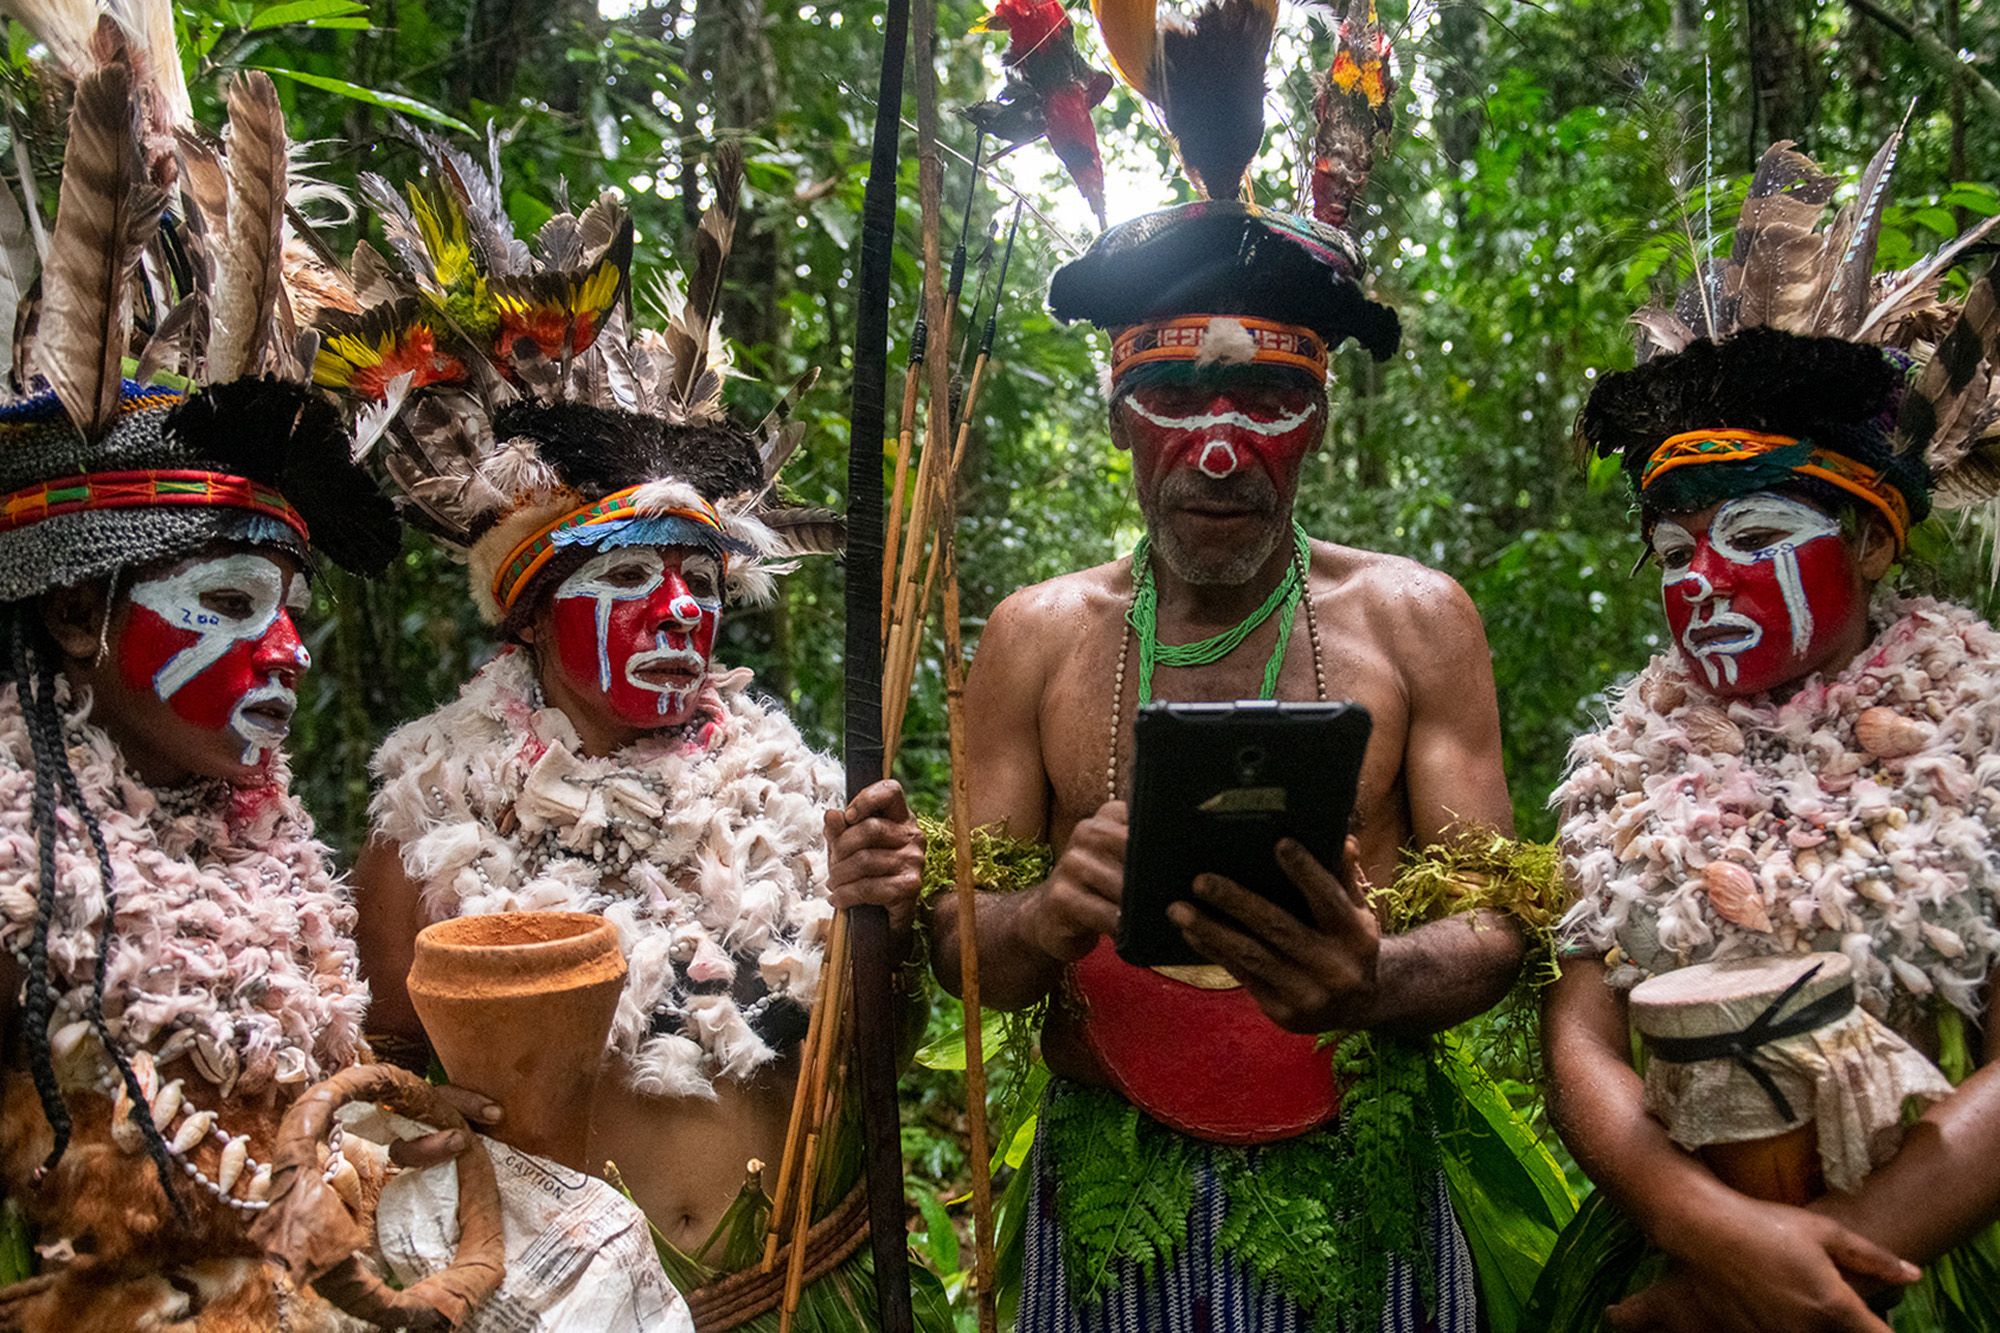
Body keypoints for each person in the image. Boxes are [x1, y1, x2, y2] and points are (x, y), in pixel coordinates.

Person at [930, 4, 1550, 1329]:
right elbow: (953, 934)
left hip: (1358, 1176)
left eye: (1268, 401)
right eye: (1178, 401)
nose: (1221, 447)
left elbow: (1499, 923)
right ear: (1114, 419)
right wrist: (1042, 921)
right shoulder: (1038, 637)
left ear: (1320, 419)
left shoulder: (1414, 619)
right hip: (1110, 1183)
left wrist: (1372, 978)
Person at [325, 142, 945, 1331]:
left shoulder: (797, 797)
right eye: (626, 578)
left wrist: (887, 917)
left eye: (697, 580)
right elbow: (380, 1083)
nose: (678, 613)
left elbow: (882, 1048)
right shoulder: (425, 831)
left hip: (809, 1289)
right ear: (530, 612)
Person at [1541, 138, 2000, 1333]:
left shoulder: (1981, 736)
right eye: (1672, 552)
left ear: (1872, 545)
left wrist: (1744, 1293)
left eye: (1751, 533)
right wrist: (1707, 1231)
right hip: (1686, 1223)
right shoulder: (1626, 764)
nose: (1698, 580)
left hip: (1928, 1245)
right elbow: (1582, 1034)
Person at [0, 42, 408, 1332]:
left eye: (286, 610)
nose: (284, 649)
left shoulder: (271, 851)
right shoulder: (21, 880)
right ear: (77, 611)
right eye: (228, 605)